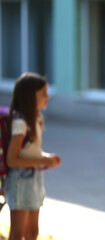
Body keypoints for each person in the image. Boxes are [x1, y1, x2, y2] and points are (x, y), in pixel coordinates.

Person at [4, 72, 61, 240]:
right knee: (17, 233)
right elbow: (12, 159)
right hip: (20, 180)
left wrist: (46, 157)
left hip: (34, 178)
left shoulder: (35, 117)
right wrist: (43, 160)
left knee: (32, 232)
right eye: (43, 93)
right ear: (29, 97)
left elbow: (29, 151)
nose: (48, 97)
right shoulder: (21, 123)